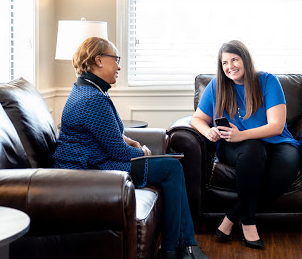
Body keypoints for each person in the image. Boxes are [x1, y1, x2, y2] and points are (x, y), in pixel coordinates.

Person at [53, 37, 208, 259]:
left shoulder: (89, 90)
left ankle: (181, 246)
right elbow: (118, 152)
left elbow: (108, 134)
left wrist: (130, 140)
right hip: (88, 172)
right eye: (115, 59)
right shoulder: (92, 98)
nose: (118, 66)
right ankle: (177, 248)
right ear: (98, 60)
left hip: (94, 163)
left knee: (172, 164)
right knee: (171, 169)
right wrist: (142, 153)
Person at [190, 40, 301, 250]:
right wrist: (209, 131)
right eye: (224, 62)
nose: (230, 66)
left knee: (286, 167)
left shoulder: (267, 81)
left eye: (234, 59)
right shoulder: (217, 85)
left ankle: (232, 215)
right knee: (252, 149)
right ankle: (249, 222)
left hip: (276, 142)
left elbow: (276, 126)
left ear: (245, 60)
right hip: (236, 146)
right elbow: (197, 119)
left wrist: (242, 134)